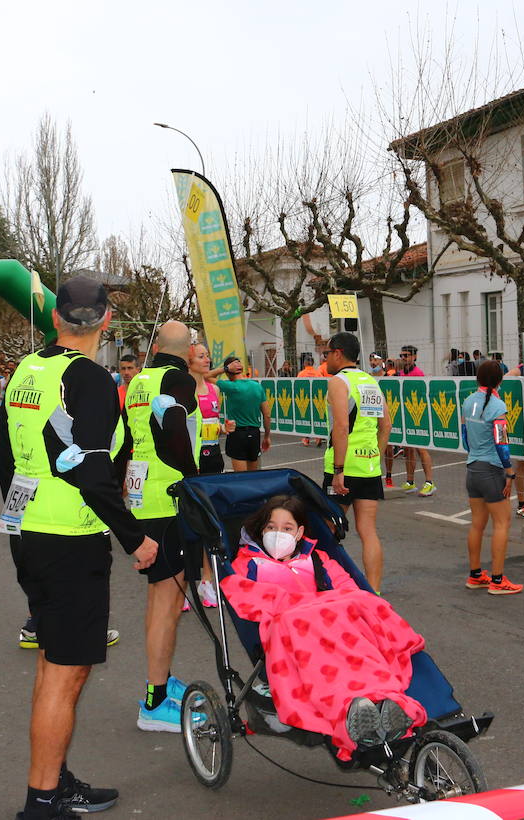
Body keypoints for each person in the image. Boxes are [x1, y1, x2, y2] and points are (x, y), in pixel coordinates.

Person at [0, 276, 158, 819]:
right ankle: (41, 802)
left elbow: (6, 453)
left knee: (54, 667)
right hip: (68, 537)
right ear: (107, 320)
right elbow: (92, 471)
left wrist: (18, 515)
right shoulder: (88, 378)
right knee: (65, 673)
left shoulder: (28, 368)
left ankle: (54, 780)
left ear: (55, 318)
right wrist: (135, 538)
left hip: (31, 531)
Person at [220, 496, 425, 756]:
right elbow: (241, 593)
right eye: (271, 528)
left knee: (361, 635)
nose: (277, 534)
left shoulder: (318, 559)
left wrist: (327, 604)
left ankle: (380, 702)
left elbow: (351, 591)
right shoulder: (248, 564)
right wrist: (299, 605)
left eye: (286, 528)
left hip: (340, 634)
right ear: (261, 531)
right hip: (298, 635)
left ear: (300, 532)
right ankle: (349, 710)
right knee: (322, 662)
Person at [121, 319, 201, 733]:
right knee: (168, 603)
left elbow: (127, 438)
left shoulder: (139, 382)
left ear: (155, 348)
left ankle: (161, 681)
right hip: (168, 499)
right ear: (188, 350)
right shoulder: (179, 379)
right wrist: (192, 476)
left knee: (159, 599)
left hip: (141, 495)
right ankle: (154, 701)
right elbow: (171, 428)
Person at [322, 331, 393, 592]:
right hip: (368, 467)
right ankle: (373, 592)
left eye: (327, 353)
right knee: (368, 531)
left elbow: (341, 426)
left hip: (342, 468)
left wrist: (339, 470)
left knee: (327, 529)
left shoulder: (338, 382)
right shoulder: (370, 381)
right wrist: (375, 455)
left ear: (338, 353)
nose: (325, 358)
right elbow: (386, 425)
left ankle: (327, 586)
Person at [459, 360, 523, 594]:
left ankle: (475, 575)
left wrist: (475, 452)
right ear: (499, 381)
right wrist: (509, 471)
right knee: (502, 523)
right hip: (492, 470)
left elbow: (465, 437)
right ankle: (497, 580)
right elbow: (502, 442)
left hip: (473, 467)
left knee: (477, 524)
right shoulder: (497, 405)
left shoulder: (467, 401)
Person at [210, 354, 271, 471]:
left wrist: (225, 368)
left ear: (228, 373)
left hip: (237, 434)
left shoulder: (230, 386)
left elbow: (205, 376)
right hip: (254, 434)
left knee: (240, 476)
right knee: (253, 476)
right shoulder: (257, 386)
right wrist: (267, 436)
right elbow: (267, 415)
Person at [393, 345, 435, 496]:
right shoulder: (401, 373)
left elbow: (423, 395)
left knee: (421, 449)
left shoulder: (418, 373)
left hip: (418, 414)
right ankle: (410, 482)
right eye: (402, 355)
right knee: (409, 449)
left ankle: (429, 482)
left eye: (406, 355)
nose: (403, 358)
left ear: (414, 357)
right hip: (406, 415)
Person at [189, 342, 225, 476]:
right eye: (201, 356)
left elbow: (214, 422)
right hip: (193, 458)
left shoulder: (214, 389)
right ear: (188, 362)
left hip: (214, 455)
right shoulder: (184, 391)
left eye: (207, 356)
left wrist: (223, 427)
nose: (207, 360)